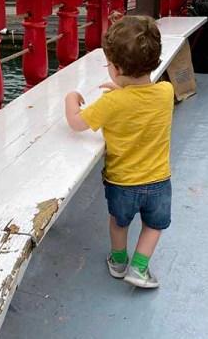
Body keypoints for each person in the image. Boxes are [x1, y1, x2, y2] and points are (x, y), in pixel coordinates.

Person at [64, 15, 174, 289]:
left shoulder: (112, 103)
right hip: (159, 182)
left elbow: (77, 123)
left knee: (119, 223)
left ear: (115, 68)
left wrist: (70, 98)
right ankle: (139, 268)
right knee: (154, 225)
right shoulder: (166, 92)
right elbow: (140, 99)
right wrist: (123, 88)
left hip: (121, 183)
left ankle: (118, 262)